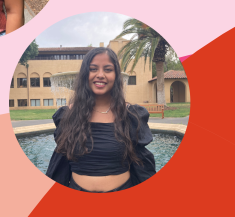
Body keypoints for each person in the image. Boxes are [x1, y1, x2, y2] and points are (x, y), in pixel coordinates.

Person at [46, 47, 156, 192]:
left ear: (116, 75)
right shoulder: (69, 115)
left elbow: (143, 164)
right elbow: (59, 164)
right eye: (93, 69)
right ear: (85, 74)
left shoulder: (131, 115)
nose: (100, 75)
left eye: (108, 69)